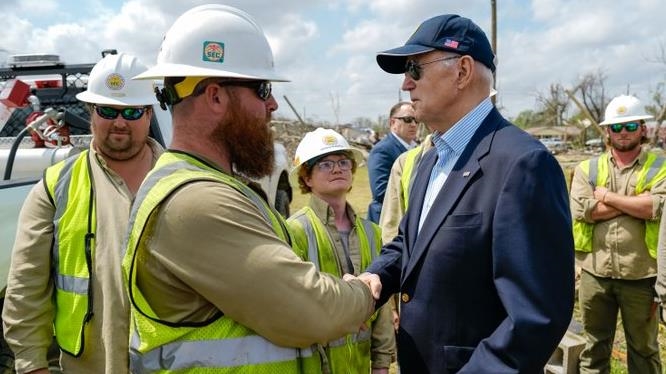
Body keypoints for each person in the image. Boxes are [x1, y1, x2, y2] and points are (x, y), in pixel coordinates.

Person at [122, 4, 375, 372]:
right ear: (215, 96)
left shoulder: (212, 184)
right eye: (262, 88)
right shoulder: (196, 200)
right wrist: (363, 291)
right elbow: (310, 311)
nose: (272, 104)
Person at [360, 14, 575, 373]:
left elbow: (535, 317)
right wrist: (378, 276)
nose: (405, 84)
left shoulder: (523, 164)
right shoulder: (431, 159)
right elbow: (411, 242)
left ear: (462, 71)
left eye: (415, 68)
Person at [2, 52, 163, 374]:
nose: (120, 122)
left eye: (131, 111)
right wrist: (32, 363)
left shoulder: (180, 179)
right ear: (91, 110)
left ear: (148, 114)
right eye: (108, 110)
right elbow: (25, 287)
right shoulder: (55, 187)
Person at [287, 128, 395, 374]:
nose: (338, 169)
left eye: (344, 162)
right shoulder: (295, 230)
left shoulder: (372, 232)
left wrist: (381, 363)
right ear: (306, 178)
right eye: (325, 164)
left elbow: (382, 306)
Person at [571, 94, 664, 373]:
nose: (624, 133)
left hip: (642, 276)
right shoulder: (586, 169)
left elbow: (654, 208)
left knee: (644, 351)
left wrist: (608, 197)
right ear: (608, 131)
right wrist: (632, 203)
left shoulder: (661, 167)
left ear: (643, 129)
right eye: (617, 127)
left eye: (631, 126)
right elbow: (582, 211)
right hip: (594, 275)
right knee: (593, 348)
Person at [366, 101, 417, 223]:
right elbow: (380, 192)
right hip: (388, 221)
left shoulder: (416, 148)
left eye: (417, 120)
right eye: (408, 119)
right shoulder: (382, 150)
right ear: (392, 122)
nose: (414, 124)